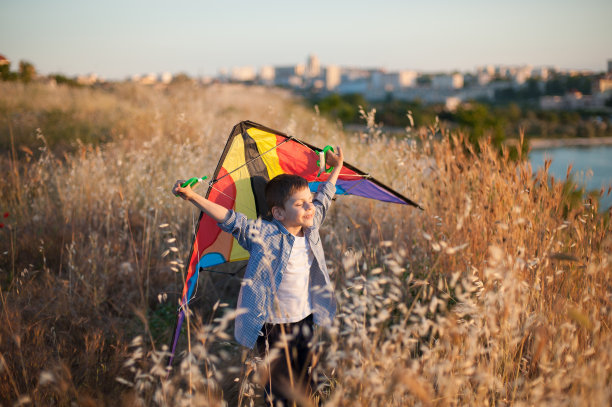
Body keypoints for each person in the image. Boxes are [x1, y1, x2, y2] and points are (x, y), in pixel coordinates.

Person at [172, 146, 344, 406]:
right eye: (300, 204)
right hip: (272, 325)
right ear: (278, 213)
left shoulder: (312, 226)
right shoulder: (264, 233)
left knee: (306, 378)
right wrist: (193, 197)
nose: (310, 207)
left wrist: (337, 168)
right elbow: (231, 220)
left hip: (305, 319)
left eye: (309, 201)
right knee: (277, 387)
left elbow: (324, 197)